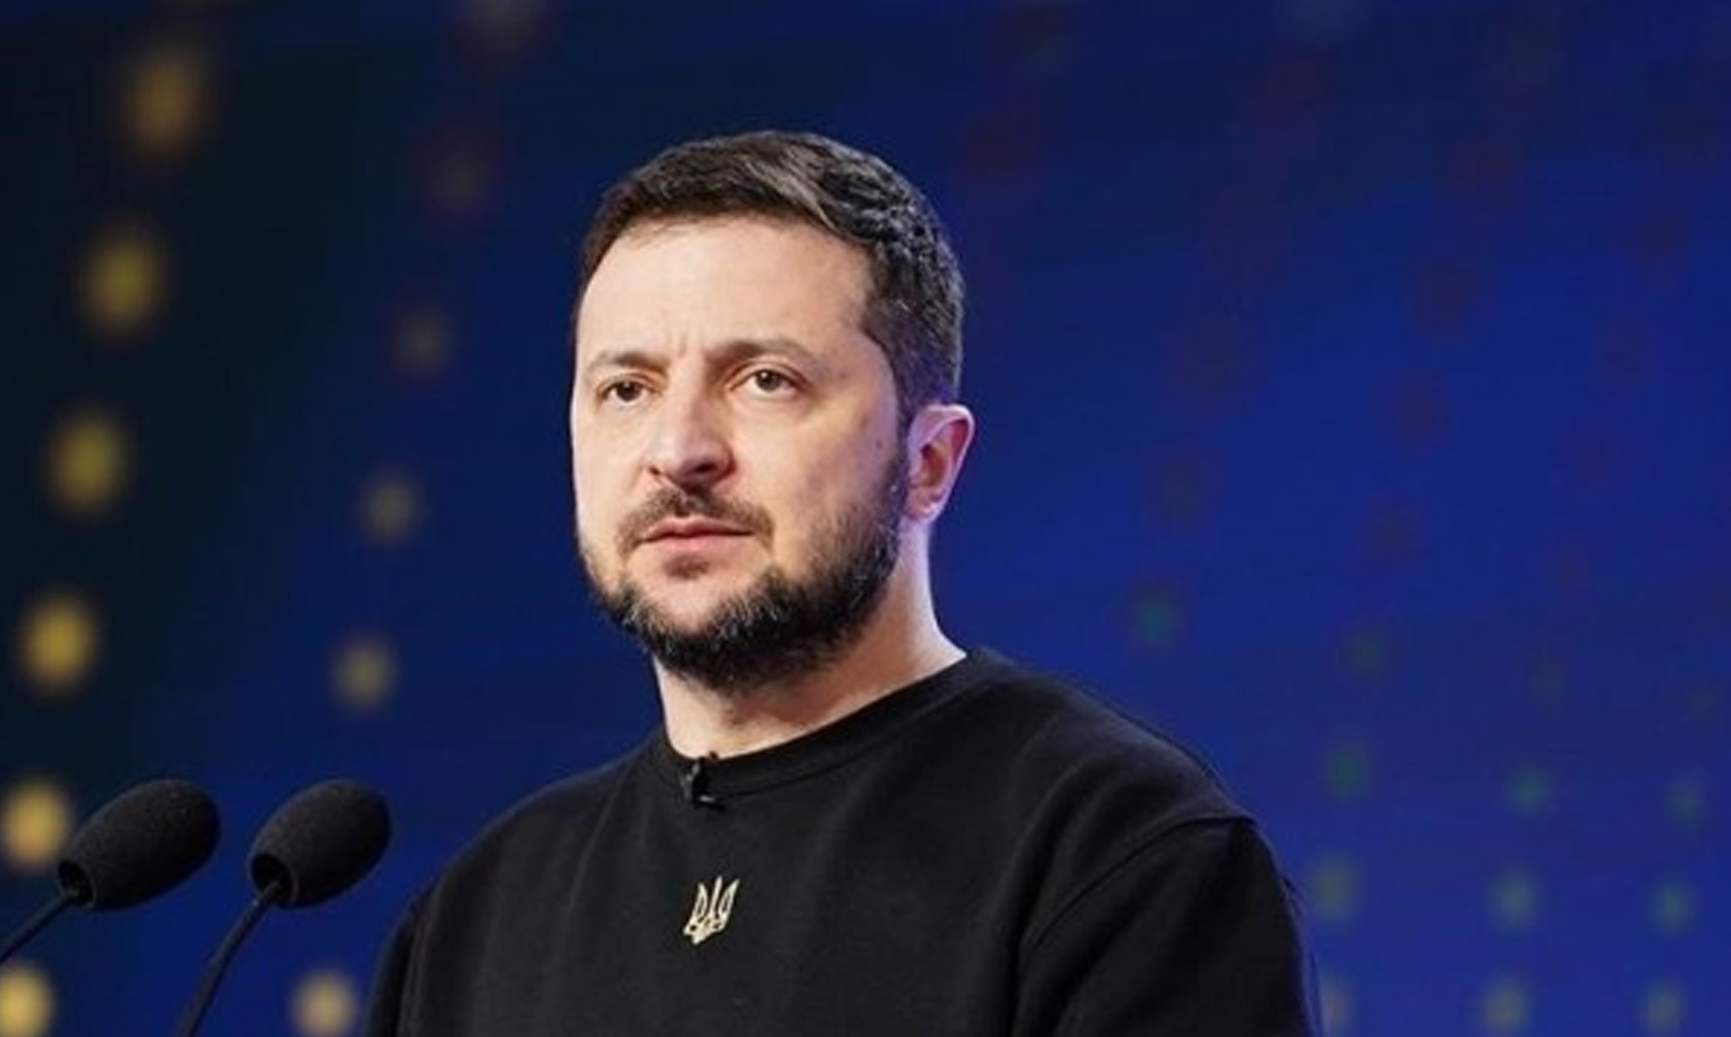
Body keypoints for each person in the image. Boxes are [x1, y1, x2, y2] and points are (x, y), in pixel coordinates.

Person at [364, 131, 1321, 1036]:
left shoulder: (1117, 849)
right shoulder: (480, 914)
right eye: (628, 389)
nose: (679, 449)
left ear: (930, 461)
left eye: (765, 380)